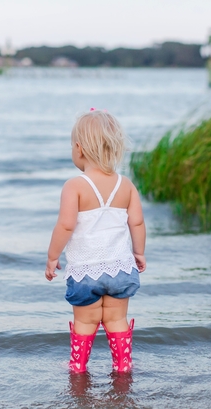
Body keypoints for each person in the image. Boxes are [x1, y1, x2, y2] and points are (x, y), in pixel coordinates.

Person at [45, 109, 146, 374]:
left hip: (86, 271)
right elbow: (137, 223)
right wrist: (140, 253)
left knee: (86, 323)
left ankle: (78, 367)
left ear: (79, 149)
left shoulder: (75, 186)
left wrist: (53, 256)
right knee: (116, 319)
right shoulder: (126, 185)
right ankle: (123, 366)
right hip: (121, 269)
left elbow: (66, 225)